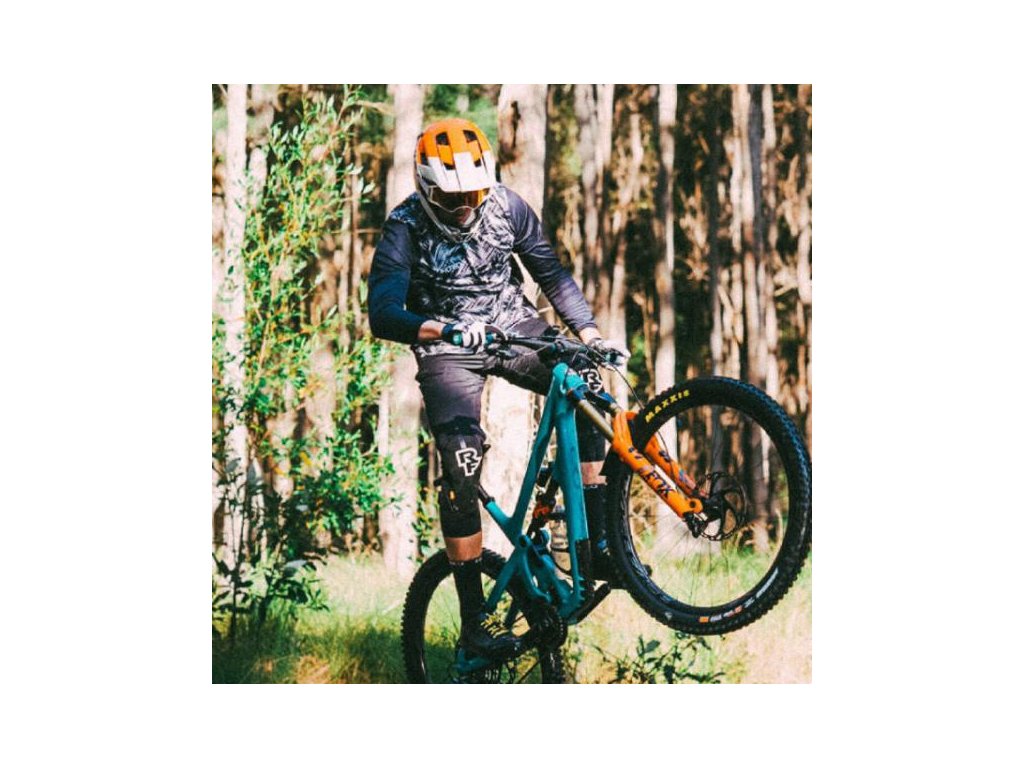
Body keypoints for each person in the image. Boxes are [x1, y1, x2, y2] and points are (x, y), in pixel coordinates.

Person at [368, 118, 627, 661]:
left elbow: (551, 275)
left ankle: (598, 544)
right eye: (452, 198)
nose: (467, 206)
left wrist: (590, 334)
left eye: (475, 194)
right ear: (425, 188)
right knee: (461, 466)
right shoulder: (404, 226)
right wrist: (442, 329)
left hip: (512, 328)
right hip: (448, 348)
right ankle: (473, 623)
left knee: (585, 380)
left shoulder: (508, 207)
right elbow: (383, 313)